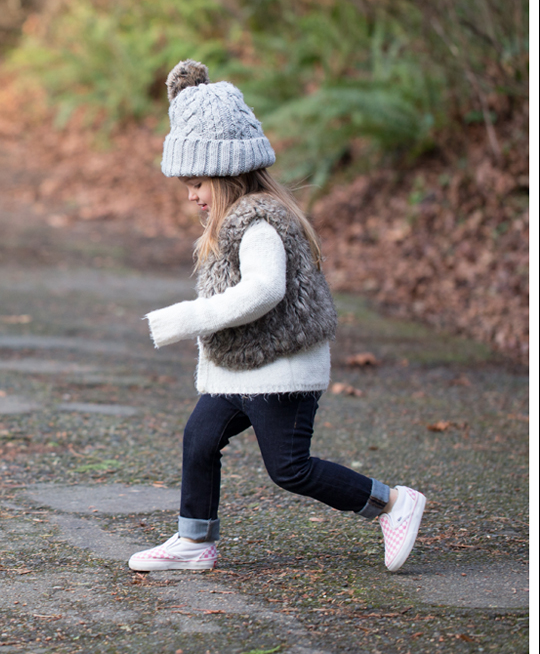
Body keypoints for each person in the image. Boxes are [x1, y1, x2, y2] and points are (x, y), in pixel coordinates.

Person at [128, 60, 425, 573]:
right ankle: (194, 540)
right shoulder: (231, 222)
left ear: (227, 172)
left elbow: (265, 290)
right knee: (199, 439)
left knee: (289, 468)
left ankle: (393, 503)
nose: (192, 195)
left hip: (279, 371)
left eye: (197, 182)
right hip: (240, 370)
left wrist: (189, 317)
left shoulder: (261, 221)